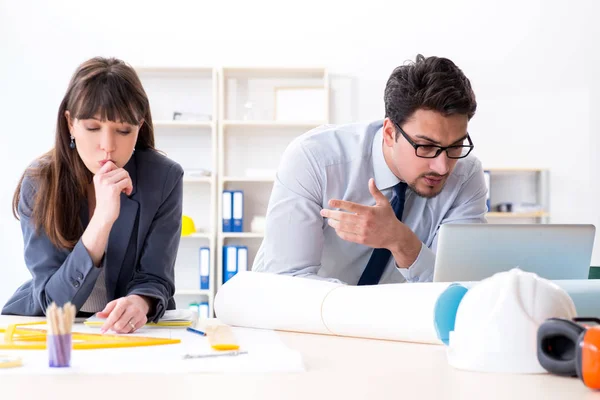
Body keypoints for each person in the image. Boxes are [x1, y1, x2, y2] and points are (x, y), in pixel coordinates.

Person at [253, 54, 487, 284]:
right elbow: (288, 281)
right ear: (389, 133)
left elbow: (457, 287)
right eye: (426, 146)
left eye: (456, 146)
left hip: (391, 318)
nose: (443, 166)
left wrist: (401, 241)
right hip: (304, 318)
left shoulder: (466, 176)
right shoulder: (315, 159)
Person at [2, 57, 184, 334]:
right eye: (92, 127)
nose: (108, 146)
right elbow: (53, 303)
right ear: (70, 124)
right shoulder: (40, 182)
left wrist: (140, 302)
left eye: (124, 130)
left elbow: (156, 276)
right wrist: (102, 221)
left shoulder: (164, 178)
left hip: (129, 332)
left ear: (140, 128)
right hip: (47, 326)